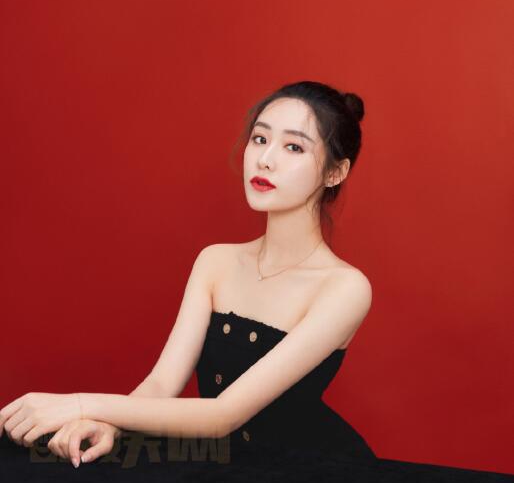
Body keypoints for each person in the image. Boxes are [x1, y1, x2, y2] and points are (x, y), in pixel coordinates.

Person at [0, 79, 377, 473]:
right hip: (214, 460)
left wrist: (80, 404)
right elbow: (161, 384)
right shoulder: (216, 261)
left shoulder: (344, 287)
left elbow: (223, 415)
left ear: (335, 173)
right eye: (260, 139)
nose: (265, 160)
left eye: (294, 147)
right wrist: (108, 425)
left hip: (307, 467)